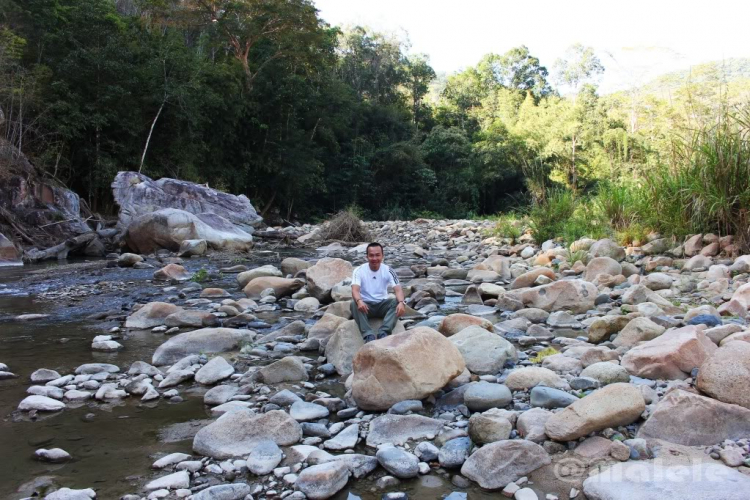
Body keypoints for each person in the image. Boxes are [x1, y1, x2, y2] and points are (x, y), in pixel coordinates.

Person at [350, 242, 406, 342]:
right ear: (367, 256)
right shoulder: (359, 270)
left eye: (377, 255)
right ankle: (368, 336)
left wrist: (402, 303)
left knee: (398, 301)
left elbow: (398, 290)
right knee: (354, 303)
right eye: (371, 255)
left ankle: (384, 333)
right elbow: (355, 290)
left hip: (382, 305)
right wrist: (359, 301)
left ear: (382, 256)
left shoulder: (388, 270)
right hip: (366, 307)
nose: (374, 258)